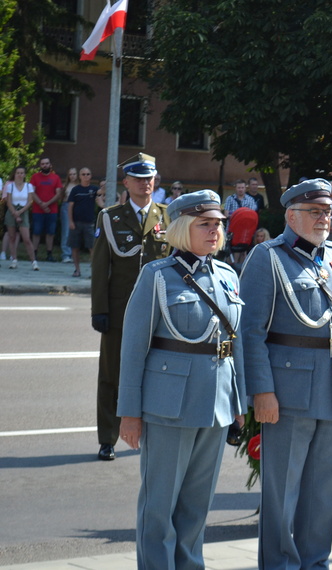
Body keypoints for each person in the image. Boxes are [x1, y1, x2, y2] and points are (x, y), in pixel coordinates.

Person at [240, 178, 332, 569]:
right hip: (288, 391)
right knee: (282, 493)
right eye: (315, 212)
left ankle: (316, 563)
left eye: (328, 211)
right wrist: (261, 391)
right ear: (292, 215)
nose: (324, 219)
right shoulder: (268, 257)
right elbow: (251, 332)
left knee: (322, 492)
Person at [116, 190, 245, 570]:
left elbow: (232, 344)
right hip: (169, 404)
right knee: (160, 506)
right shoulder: (156, 276)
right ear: (183, 227)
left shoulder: (226, 274)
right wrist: (129, 413)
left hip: (216, 403)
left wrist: (238, 403)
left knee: (197, 504)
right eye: (205, 224)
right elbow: (133, 348)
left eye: (218, 224)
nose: (214, 231)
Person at [90, 153, 171, 461]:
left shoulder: (167, 216)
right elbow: (100, 268)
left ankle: (151, 434)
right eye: (138, 179)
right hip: (120, 312)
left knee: (158, 374)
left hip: (159, 314)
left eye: (149, 179)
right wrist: (100, 310)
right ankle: (107, 438)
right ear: (126, 183)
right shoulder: (110, 217)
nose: (145, 184)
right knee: (112, 376)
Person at [3, 166, 37, 270]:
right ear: (15, 174)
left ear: (25, 174)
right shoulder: (10, 186)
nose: (20, 175)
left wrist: (20, 212)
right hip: (12, 210)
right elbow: (8, 201)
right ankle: (14, 259)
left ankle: (34, 261)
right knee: (12, 237)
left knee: (26, 238)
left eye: (22, 173)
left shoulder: (28, 186)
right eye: (18, 173)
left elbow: (30, 201)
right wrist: (14, 213)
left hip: (23, 210)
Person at [30, 157, 63, 262]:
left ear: (50, 165)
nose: (45, 165)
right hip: (37, 210)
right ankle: (34, 254)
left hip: (52, 210)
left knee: (50, 233)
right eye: (43, 164)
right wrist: (41, 204)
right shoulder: (35, 177)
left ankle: (49, 254)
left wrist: (47, 204)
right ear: (40, 165)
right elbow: (32, 192)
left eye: (47, 163)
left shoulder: (56, 178)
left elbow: (58, 194)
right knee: (36, 232)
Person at [67, 168, 99, 278]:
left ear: (91, 176)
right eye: (83, 174)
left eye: (88, 174)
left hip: (89, 223)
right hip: (76, 223)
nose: (85, 176)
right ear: (79, 176)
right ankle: (77, 270)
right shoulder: (75, 190)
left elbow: (103, 193)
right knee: (75, 247)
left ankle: (94, 271)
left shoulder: (94, 189)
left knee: (92, 247)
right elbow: (70, 206)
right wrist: (70, 221)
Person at [59, 167, 78, 263]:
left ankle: (74, 254)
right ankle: (66, 254)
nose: (72, 176)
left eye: (74, 174)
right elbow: (62, 198)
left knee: (75, 231)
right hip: (66, 207)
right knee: (66, 231)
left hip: (77, 208)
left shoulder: (79, 186)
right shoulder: (65, 186)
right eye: (70, 174)